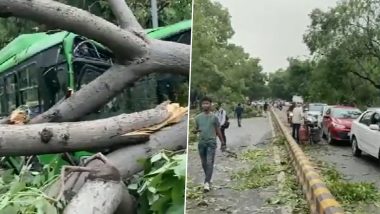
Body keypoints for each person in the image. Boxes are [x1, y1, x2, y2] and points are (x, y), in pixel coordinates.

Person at [194, 96, 225, 192]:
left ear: (211, 105)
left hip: (211, 142)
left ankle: (206, 182)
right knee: (204, 163)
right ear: (201, 105)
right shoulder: (198, 118)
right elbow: (196, 129)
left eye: (207, 103)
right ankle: (209, 177)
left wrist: (222, 142)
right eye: (204, 103)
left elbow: (218, 130)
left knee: (209, 162)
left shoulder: (214, 118)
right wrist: (195, 131)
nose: (205, 105)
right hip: (201, 143)